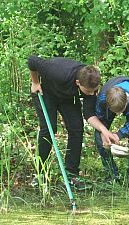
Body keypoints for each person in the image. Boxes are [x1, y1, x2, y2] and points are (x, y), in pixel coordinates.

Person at [28, 55, 116, 190]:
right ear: (77, 83)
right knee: (49, 129)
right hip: (45, 93)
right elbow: (32, 60)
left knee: (77, 129)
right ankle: (40, 173)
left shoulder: (90, 84)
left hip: (67, 98)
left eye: (95, 90)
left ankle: (71, 175)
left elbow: (89, 114)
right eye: (89, 91)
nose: (92, 94)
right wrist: (35, 82)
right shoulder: (56, 71)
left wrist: (104, 130)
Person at [94, 76, 129, 188]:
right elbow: (99, 119)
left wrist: (119, 135)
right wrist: (104, 133)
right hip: (109, 103)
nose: (117, 115)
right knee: (98, 136)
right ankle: (112, 175)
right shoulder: (103, 98)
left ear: (127, 101)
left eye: (120, 112)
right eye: (115, 112)